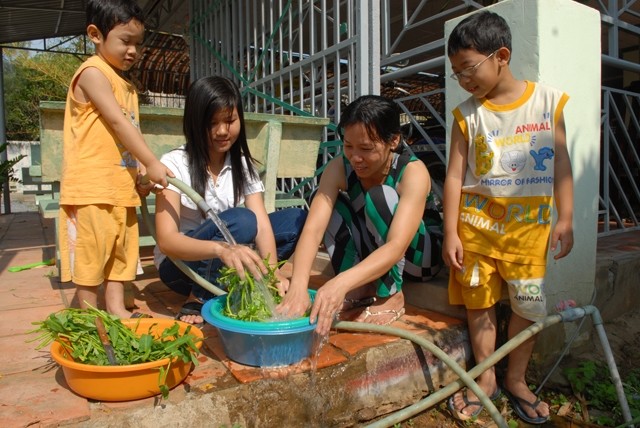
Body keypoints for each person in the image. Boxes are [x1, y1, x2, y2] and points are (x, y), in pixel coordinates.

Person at [443, 11, 574, 425]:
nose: (464, 81)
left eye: (469, 69)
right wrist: (450, 231)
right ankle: (485, 378)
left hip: (528, 235)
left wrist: (566, 217)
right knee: (478, 305)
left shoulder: (548, 102)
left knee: (528, 307)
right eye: (456, 74)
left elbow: (563, 164)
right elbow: (453, 175)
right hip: (476, 231)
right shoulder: (467, 115)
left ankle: (516, 379)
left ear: (501, 55)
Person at [277, 95, 439, 336]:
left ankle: (391, 295)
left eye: (366, 148)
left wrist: (339, 283)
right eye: (348, 146)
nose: (355, 158)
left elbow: (396, 246)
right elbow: (314, 229)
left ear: (393, 140)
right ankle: (361, 288)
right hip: (376, 250)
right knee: (321, 201)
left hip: (420, 259)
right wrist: (298, 286)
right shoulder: (339, 167)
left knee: (380, 197)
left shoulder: (412, 171)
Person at [153, 75, 307, 325]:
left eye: (230, 120)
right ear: (194, 123)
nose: (223, 131)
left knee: (297, 219)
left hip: (226, 255)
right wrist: (220, 249)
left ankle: (251, 276)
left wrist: (272, 273)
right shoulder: (173, 164)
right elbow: (167, 241)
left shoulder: (243, 165)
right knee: (242, 221)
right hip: (182, 268)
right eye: (212, 123)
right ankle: (199, 296)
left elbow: (262, 222)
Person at [58, 0, 172, 319]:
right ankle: (91, 317)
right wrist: (151, 161)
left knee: (120, 254)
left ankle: (116, 309)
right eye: (125, 41)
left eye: (138, 43)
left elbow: (124, 137)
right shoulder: (93, 74)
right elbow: (119, 124)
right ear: (96, 34)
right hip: (93, 188)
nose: (133, 50)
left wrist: (138, 176)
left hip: (120, 188)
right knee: (93, 254)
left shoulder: (127, 86)